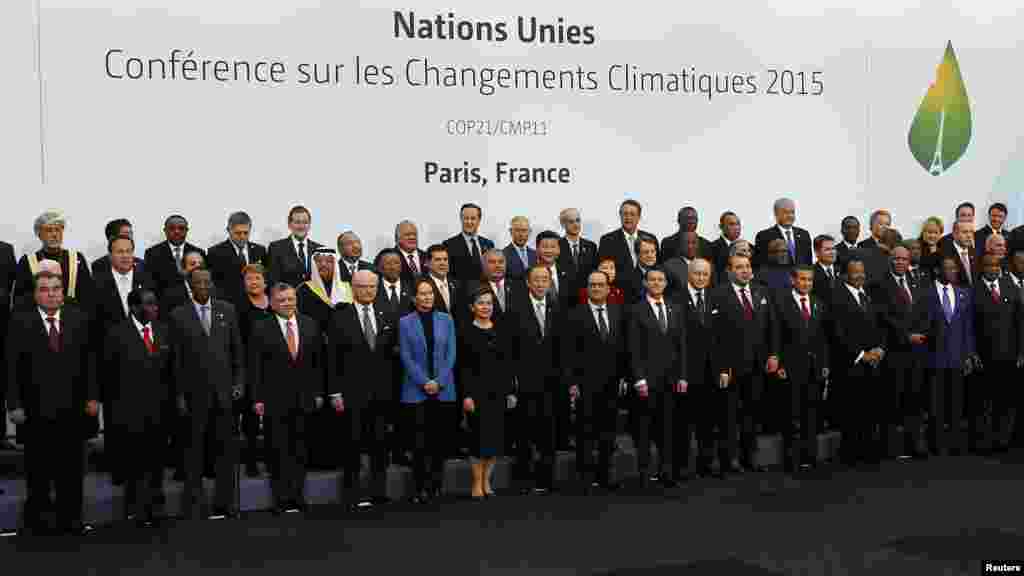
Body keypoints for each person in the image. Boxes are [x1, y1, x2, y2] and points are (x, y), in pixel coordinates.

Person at [6, 267, 98, 535]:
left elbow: (89, 361)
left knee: (71, 468)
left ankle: (71, 519)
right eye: (44, 290)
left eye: (56, 289)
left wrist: (93, 396)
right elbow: (11, 366)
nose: (51, 295)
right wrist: (14, 404)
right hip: (35, 410)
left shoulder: (78, 318)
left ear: (63, 293)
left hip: (73, 408)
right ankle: (38, 521)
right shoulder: (20, 321)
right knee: (38, 470)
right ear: (35, 294)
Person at [169, 267, 245, 520]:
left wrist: (238, 382)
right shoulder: (178, 315)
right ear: (190, 286)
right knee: (194, 453)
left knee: (226, 451)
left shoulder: (227, 309)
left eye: (207, 281)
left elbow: (237, 351)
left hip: (224, 394)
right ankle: (195, 505)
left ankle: (228, 503)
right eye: (198, 282)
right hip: (193, 395)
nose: (203, 285)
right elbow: (176, 360)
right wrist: (179, 394)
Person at [248, 282, 322, 515]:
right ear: (271, 303)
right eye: (282, 300)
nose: (288, 304)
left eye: (291, 299)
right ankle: (280, 498)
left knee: (300, 449)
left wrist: (318, 392)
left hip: (304, 398)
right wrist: (257, 398)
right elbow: (255, 367)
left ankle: (297, 496)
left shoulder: (310, 324)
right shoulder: (260, 327)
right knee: (278, 450)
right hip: (273, 400)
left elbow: (318, 363)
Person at [102, 288, 172, 527]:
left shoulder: (164, 330)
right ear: (133, 308)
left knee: (157, 459)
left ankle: (156, 505)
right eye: (149, 304)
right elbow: (108, 377)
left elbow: (172, 371)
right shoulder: (116, 334)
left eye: (155, 303)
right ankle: (136, 507)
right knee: (135, 462)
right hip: (129, 411)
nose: (154, 308)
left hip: (160, 409)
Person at [329, 270, 398, 510]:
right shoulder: (340, 316)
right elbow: (332, 357)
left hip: (382, 392)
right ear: (353, 288)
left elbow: (392, 356)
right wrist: (335, 392)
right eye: (362, 286)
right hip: (351, 392)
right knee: (352, 445)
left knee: (380, 445)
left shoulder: (388, 314)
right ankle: (352, 494)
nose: (368, 291)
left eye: (372, 286)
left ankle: (379, 492)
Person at [91, 235, 154, 484]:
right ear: (110, 255)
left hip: (144, 357)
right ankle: (119, 469)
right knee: (117, 416)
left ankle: (146, 469)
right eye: (119, 251)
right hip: (113, 357)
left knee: (144, 416)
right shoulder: (98, 282)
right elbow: (93, 322)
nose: (125, 256)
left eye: (129, 251)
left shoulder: (146, 278)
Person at [709, 254, 778, 474]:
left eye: (747, 266)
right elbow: (715, 336)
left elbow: (772, 326)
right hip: (730, 368)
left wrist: (773, 355)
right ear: (729, 270)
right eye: (739, 267)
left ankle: (750, 457)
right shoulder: (718, 294)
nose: (745, 271)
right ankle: (730, 459)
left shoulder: (762, 292)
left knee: (752, 414)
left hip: (758, 366)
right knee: (729, 416)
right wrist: (721, 368)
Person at [565, 270, 626, 492]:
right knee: (585, 432)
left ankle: (605, 475)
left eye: (601, 285)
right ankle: (584, 478)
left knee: (608, 432)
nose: (597, 288)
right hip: (584, 384)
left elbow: (623, 349)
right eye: (593, 285)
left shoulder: (618, 312)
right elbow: (568, 352)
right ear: (587, 289)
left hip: (612, 382)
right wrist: (571, 382)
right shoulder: (574, 314)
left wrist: (624, 377)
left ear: (608, 288)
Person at [399, 278, 457, 503]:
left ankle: (436, 487)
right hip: (416, 391)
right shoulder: (405, 322)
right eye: (422, 294)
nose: (427, 297)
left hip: (443, 390)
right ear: (414, 298)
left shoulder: (447, 319)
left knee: (439, 443)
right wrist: (425, 382)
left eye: (430, 293)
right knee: (419, 444)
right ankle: (420, 488)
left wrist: (439, 381)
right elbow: (406, 356)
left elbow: (451, 354)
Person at [914, 256, 979, 456]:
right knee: (936, 405)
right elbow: (921, 325)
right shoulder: (925, 293)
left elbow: (968, 327)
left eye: (954, 268)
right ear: (937, 271)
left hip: (957, 358)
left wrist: (969, 354)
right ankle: (937, 444)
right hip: (934, 358)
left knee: (956, 404)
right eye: (947, 268)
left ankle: (955, 444)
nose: (952, 271)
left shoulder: (964, 293)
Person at [629, 267, 688, 488]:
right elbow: (633, 348)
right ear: (645, 283)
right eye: (652, 279)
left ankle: (666, 471)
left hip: (671, 379)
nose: (656, 283)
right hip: (647, 380)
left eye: (660, 280)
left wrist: (683, 375)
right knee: (645, 429)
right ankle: (644, 473)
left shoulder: (675, 308)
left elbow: (682, 345)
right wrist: (639, 378)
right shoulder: (636, 310)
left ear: (665, 283)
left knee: (668, 428)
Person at [870, 246, 928, 461]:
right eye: (897, 259)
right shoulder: (879, 285)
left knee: (915, 399)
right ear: (890, 260)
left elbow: (924, 310)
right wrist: (906, 335)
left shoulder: (918, 280)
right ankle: (891, 447)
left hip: (917, 351)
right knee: (892, 401)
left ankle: (915, 444)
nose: (901, 262)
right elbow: (884, 317)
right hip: (895, 351)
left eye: (905, 259)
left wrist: (921, 332)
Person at [771, 265, 829, 473]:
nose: (806, 283)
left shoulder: (818, 304)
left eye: (810, 280)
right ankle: (792, 459)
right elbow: (776, 335)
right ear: (793, 280)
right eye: (802, 279)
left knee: (810, 414)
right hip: (791, 367)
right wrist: (779, 364)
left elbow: (822, 338)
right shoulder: (781, 303)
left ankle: (809, 456)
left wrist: (824, 364)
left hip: (813, 368)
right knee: (791, 415)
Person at [510, 266, 562, 494]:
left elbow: (563, 347)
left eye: (545, 279)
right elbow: (509, 350)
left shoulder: (557, 308)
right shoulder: (515, 309)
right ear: (528, 284)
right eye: (536, 280)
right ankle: (524, 480)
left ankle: (546, 479)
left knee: (548, 432)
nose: (541, 284)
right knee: (524, 432)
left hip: (552, 382)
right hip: (525, 381)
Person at [831, 256, 887, 466]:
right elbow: (837, 332)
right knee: (852, 411)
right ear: (845, 274)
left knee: (871, 409)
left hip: (874, 362)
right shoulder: (837, 297)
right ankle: (852, 454)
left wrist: (880, 349)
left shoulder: (868, 294)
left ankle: (869, 451)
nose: (860, 275)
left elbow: (880, 325)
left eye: (862, 271)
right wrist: (861, 354)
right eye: (855, 271)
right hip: (851, 363)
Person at [460, 287, 513, 499]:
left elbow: (507, 364)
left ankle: (487, 482)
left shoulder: (501, 329)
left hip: (498, 393)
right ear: (472, 307)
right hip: (476, 394)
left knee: (494, 441)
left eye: (489, 303)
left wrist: (510, 391)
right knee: (477, 441)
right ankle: (476, 483)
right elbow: (462, 367)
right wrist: (467, 395)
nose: (485, 307)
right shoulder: (465, 331)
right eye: (481, 303)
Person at [971, 254, 1024, 454]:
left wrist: (1021, 351)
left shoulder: (1011, 288)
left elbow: (1019, 322)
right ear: (982, 267)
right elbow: (969, 326)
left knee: (1007, 400)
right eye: (988, 265)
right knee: (984, 401)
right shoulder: (973, 291)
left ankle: (1003, 440)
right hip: (983, 357)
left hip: (1009, 355)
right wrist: (972, 352)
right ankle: (983, 442)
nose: (992, 268)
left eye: (995, 265)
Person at [14, 210, 94, 312]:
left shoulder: (77, 258)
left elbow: (88, 296)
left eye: (58, 230)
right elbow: (21, 300)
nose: (54, 234)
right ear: (39, 234)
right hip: (39, 321)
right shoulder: (27, 261)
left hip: (73, 319)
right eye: (49, 230)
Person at [238, 264, 274, 477]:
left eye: (257, 278)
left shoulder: (275, 303)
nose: (253, 282)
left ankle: (271, 459)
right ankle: (251, 461)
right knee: (251, 418)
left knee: (273, 419)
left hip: (274, 367)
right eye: (249, 279)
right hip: (250, 367)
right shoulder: (238, 306)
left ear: (265, 282)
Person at [598, 199, 659, 303]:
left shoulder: (651, 238)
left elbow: (657, 267)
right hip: (621, 298)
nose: (628, 218)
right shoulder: (607, 240)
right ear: (620, 215)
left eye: (632, 214)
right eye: (625, 214)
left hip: (648, 297)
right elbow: (606, 272)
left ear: (639, 217)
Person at [207, 211, 268, 309]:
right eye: (238, 233)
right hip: (230, 308)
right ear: (228, 230)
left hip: (257, 308)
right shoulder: (215, 253)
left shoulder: (260, 250)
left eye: (246, 233)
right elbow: (215, 286)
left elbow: (265, 280)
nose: (242, 237)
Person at [143, 215, 204, 300]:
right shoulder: (152, 254)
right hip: (164, 306)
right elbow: (150, 285)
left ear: (187, 230)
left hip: (193, 305)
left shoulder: (199, 253)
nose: (177, 231)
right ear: (165, 231)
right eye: (172, 228)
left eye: (181, 228)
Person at [296, 247, 353, 332]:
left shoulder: (348, 288)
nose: (323, 265)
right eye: (318, 261)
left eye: (329, 261)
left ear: (336, 265)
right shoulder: (303, 289)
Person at [443, 203, 495, 296]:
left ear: (479, 220)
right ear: (461, 219)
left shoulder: (489, 244)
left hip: (485, 298)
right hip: (460, 298)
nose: (469, 222)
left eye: (473, 218)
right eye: (466, 218)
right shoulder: (449, 245)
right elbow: (448, 275)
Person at [267, 205, 324, 288]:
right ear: (289, 224)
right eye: (297, 222)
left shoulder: (319, 250)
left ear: (309, 225)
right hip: (287, 299)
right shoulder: (276, 248)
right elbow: (273, 282)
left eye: (305, 222)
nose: (301, 226)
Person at [753, 198, 812, 269]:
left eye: (792, 212)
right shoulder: (764, 236)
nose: (790, 215)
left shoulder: (804, 235)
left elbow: (808, 263)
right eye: (785, 212)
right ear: (776, 214)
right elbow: (761, 265)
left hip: (801, 278)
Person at [558, 208, 598, 300]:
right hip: (565, 300)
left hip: (588, 299)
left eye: (578, 220)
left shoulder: (591, 246)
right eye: (571, 222)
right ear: (563, 224)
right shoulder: (557, 246)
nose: (576, 224)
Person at [379, 220, 430, 286]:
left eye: (414, 234)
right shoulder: (387, 256)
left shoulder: (426, 256)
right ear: (397, 238)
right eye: (407, 235)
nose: (412, 237)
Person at [161, 250, 207, 318]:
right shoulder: (171, 295)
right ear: (183, 270)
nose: (198, 266)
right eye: (192, 264)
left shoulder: (214, 291)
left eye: (201, 264)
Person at [376, 249, 414, 318]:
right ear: (379, 267)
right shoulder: (374, 288)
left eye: (396, 263)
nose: (393, 267)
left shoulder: (412, 287)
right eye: (388, 263)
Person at [663, 231, 699, 301]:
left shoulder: (706, 265)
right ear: (680, 245)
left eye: (693, 243)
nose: (690, 246)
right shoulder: (669, 267)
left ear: (698, 244)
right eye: (687, 243)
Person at [709, 211, 742, 279]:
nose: (736, 227)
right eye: (731, 224)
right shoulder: (711, 248)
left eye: (738, 224)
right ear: (721, 227)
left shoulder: (749, 247)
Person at [943, 221, 977, 286]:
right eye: (965, 232)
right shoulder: (945, 253)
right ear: (954, 234)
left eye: (971, 232)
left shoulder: (976, 252)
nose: (969, 236)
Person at [503, 216, 536, 281]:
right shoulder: (503, 255)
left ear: (529, 232)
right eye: (517, 230)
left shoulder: (536, 254)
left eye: (524, 230)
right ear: (510, 231)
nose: (521, 234)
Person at [813, 235, 838, 308]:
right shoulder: (811, 273)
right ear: (817, 252)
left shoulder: (842, 271)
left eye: (834, 248)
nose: (832, 252)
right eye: (827, 249)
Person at [918, 216, 945, 282]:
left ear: (940, 234)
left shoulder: (945, 248)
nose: (932, 236)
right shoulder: (917, 247)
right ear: (923, 232)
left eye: (936, 233)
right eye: (929, 232)